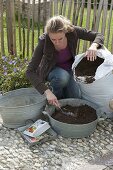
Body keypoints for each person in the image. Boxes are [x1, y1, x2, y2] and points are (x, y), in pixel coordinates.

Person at [26, 15, 104, 108]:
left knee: (76, 98)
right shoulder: (44, 41)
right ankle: (53, 101)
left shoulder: (73, 31)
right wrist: (47, 92)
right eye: (53, 39)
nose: (57, 42)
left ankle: (62, 96)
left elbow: (99, 35)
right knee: (62, 77)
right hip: (52, 70)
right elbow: (29, 71)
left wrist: (94, 46)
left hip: (70, 68)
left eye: (60, 39)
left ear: (65, 32)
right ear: (48, 34)